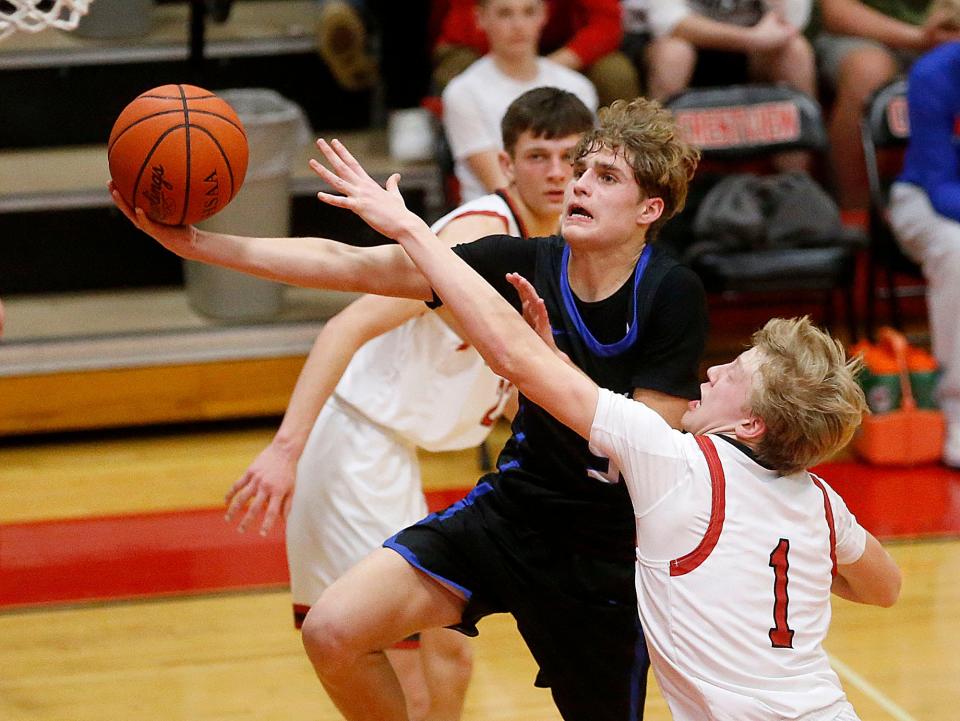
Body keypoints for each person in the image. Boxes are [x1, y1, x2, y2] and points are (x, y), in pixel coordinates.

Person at [109, 95, 708, 721]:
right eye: (582, 170)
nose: (577, 183)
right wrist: (196, 245)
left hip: (603, 549)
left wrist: (544, 366)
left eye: (603, 177)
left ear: (650, 209)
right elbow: (349, 264)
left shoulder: (670, 292)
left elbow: (650, 445)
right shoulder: (518, 260)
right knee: (333, 631)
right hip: (513, 513)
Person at [319, 156, 902, 719]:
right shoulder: (823, 504)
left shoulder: (671, 459)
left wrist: (409, 230)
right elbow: (885, 590)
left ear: (753, 425)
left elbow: (512, 357)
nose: (714, 370)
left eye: (735, 375)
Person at [222, 87, 594, 721]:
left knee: (449, 654)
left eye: (570, 158)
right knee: (409, 661)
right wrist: (285, 450)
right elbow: (345, 325)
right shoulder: (482, 236)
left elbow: (506, 387)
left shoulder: (549, 249)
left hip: (391, 452)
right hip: (356, 446)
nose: (556, 173)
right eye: (538, 156)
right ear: (505, 165)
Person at [440, 0, 598, 203]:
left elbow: (586, 170)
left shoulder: (578, 87)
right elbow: (499, 185)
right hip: (495, 221)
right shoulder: (462, 92)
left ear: (544, 15)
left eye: (528, 12)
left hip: (568, 214)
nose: (518, 25)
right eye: (505, 13)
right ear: (480, 18)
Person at [888, 40, 960, 469]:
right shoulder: (935, 73)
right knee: (958, 250)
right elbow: (939, 184)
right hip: (925, 198)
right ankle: (956, 410)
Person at [816, 0, 960, 210]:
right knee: (867, 71)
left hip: (947, 37)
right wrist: (922, 38)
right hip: (864, 37)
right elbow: (837, 13)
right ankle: (854, 217)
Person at [432, 0, 639, 108]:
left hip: (564, 46)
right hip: (482, 46)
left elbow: (607, 24)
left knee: (615, 72)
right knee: (455, 69)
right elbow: (462, 26)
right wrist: (511, 63)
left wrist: (546, 68)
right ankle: (449, 157)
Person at [643, 0, 815, 105]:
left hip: (756, 55)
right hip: (690, 46)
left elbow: (793, 21)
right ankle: (659, 160)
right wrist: (752, 39)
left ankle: (795, 165)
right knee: (672, 55)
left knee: (795, 51)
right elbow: (666, 22)